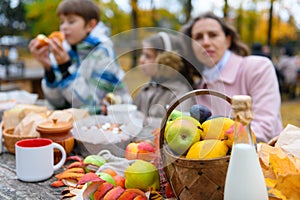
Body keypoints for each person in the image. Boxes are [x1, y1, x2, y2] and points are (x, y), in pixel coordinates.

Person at [180, 12, 283, 143]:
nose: (205, 42)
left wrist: (219, 146)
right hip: (216, 162)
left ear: (228, 40)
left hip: (264, 159)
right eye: (198, 37)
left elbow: (264, 128)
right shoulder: (198, 87)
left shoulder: (258, 67)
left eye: (213, 35)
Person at [28, 0, 131, 112]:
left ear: (90, 25)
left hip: (112, 121)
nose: (64, 27)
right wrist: (49, 69)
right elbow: (57, 103)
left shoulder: (103, 52)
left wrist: (66, 69)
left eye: (71, 22)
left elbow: (91, 104)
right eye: (62, 22)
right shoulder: (64, 50)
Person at [133, 32, 196, 118]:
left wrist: (140, 119)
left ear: (166, 60)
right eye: (142, 54)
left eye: (148, 56)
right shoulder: (147, 88)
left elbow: (177, 125)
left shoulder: (179, 93)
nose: (141, 60)